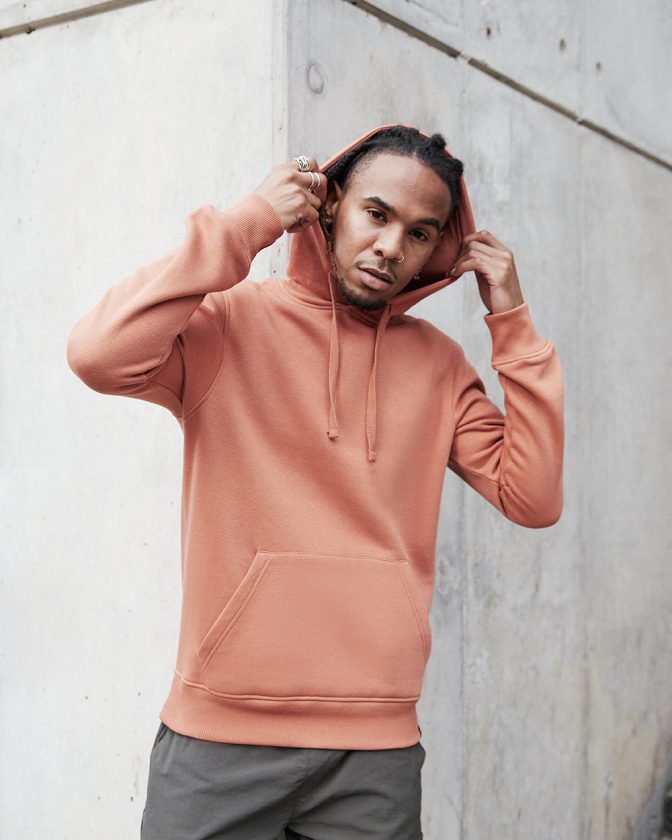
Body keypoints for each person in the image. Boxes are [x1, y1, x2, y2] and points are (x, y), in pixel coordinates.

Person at [66, 124, 564, 840]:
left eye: (420, 233)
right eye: (377, 214)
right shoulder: (229, 324)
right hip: (221, 739)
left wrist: (511, 321)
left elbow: (533, 497)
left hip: (374, 752)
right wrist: (247, 223)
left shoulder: (440, 366)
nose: (391, 247)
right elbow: (98, 355)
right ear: (328, 205)